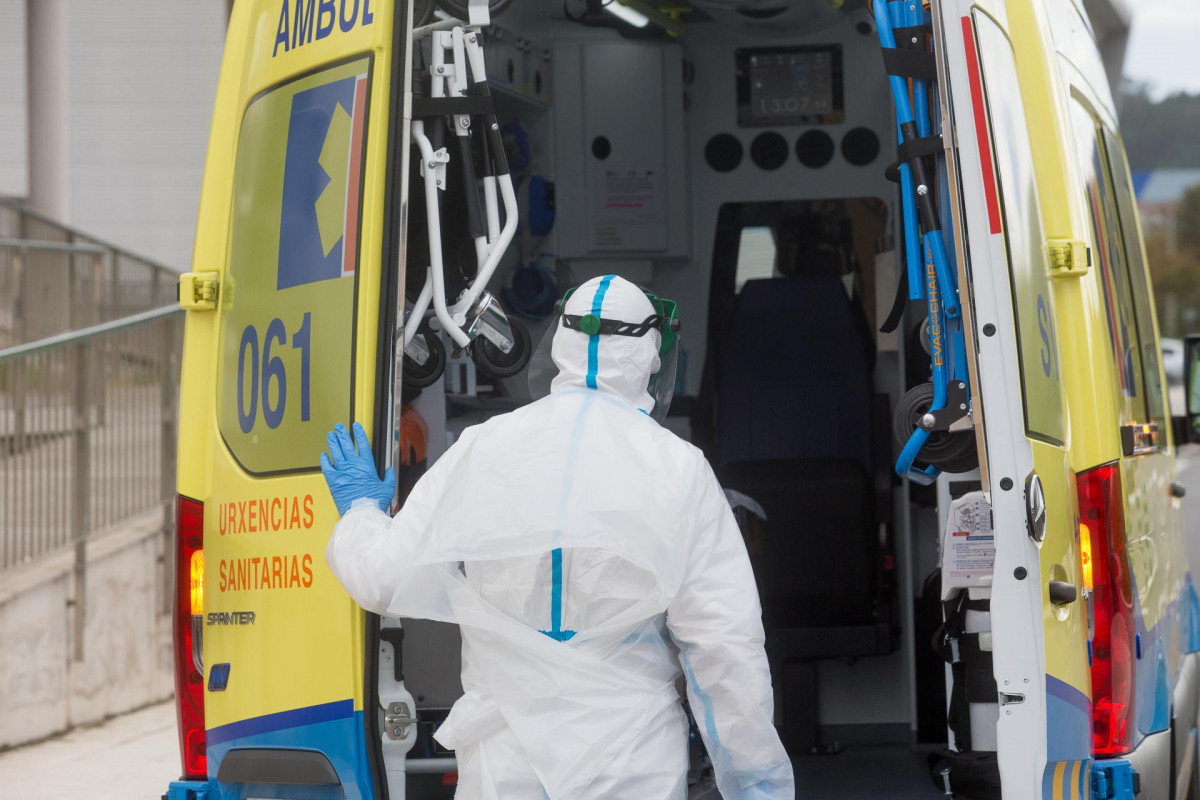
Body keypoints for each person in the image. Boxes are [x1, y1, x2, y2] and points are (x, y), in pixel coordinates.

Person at [321, 275, 794, 799]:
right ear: (650, 354)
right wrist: (757, 786)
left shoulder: (483, 448)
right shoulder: (679, 469)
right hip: (630, 765)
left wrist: (361, 511)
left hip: (504, 766)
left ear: (561, 343)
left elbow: (383, 579)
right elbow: (725, 650)